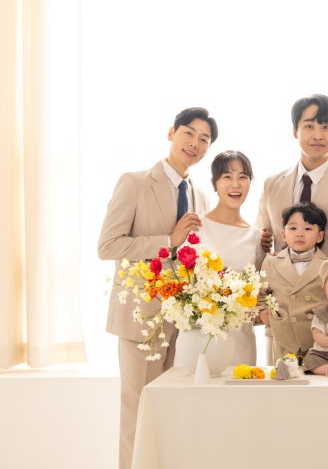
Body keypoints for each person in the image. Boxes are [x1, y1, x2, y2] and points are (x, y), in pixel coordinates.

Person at [97, 107, 218, 469]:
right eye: (188, 133)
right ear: (171, 133)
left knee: (167, 412)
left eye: (204, 139)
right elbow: (108, 246)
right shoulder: (134, 182)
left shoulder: (200, 195)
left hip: (181, 321)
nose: (194, 143)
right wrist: (168, 240)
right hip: (140, 318)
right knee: (137, 410)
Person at [255, 94, 328, 270]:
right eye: (309, 126)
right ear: (295, 131)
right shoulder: (272, 185)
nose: (318, 135)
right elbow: (260, 244)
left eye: (326, 127)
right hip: (278, 285)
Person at [196, 150, 266, 368]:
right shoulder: (195, 227)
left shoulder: (256, 237)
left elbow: (258, 293)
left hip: (240, 340)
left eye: (243, 177)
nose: (236, 184)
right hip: (198, 336)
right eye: (227, 176)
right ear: (214, 183)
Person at [259, 202, 328, 363]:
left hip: (317, 338)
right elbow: (260, 292)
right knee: (284, 374)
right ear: (283, 234)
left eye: (307, 228)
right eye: (293, 228)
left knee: (317, 375)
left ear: (320, 236)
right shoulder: (271, 262)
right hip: (284, 335)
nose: (299, 234)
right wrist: (263, 312)